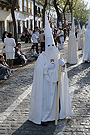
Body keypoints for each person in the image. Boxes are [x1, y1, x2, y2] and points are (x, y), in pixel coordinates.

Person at [28, 12, 72, 126]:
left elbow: (62, 70)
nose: (51, 48)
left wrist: (62, 65)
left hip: (55, 83)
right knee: (46, 102)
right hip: (45, 85)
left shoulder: (57, 55)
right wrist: (47, 67)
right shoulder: (42, 57)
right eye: (49, 46)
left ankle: (54, 116)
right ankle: (43, 117)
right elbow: (38, 70)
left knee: (54, 102)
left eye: (53, 46)